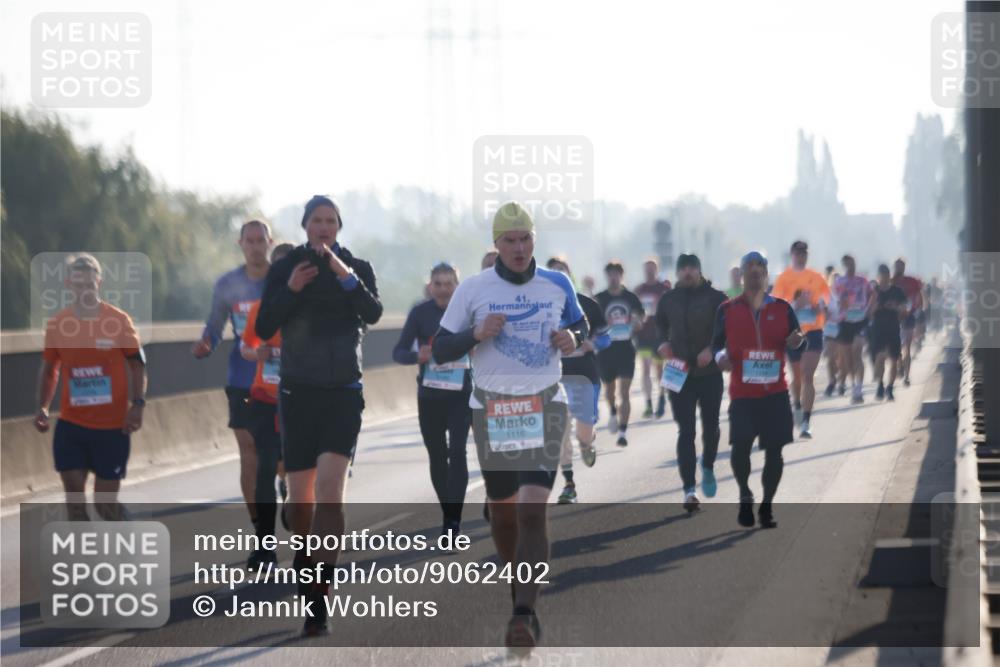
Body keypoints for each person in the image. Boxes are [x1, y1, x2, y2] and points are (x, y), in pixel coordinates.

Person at [432, 202, 587, 652]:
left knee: (532, 510)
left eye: (525, 239)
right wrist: (476, 335)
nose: (518, 249)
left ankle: (524, 611)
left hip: (545, 404)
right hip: (493, 409)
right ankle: (518, 586)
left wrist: (572, 338)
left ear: (534, 240)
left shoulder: (557, 283)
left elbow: (580, 323)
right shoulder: (474, 289)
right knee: (502, 512)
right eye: (509, 241)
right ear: (496, 244)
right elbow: (442, 348)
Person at [255, 195, 382, 637]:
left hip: (343, 394)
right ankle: (305, 550)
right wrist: (290, 288)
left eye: (331, 221)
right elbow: (261, 326)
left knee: (331, 492)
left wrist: (345, 278)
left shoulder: (356, 267)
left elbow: (374, 312)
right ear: (306, 226)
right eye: (316, 221)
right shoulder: (286, 269)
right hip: (297, 395)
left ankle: (318, 602)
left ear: (338, 226)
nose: (324, 227)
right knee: (303, 501)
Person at [35, 254, 146, 521]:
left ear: (99, 282)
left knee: (105, 506)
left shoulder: (118, 321)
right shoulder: (58, 324)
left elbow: (137, 366)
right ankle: (83, 558)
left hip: (112, 428)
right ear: (68, 284)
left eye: (89, 284)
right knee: (74, 500)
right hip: (72, 425)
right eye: (78, 284)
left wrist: (138, 405)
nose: (84, 290)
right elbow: (51, 369)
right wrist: (43, 407)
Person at [192, 219, 272, 533]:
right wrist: (205, 345)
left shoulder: (281, 281)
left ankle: (288, 490)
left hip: (283, 381)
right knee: (249, 453)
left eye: (260, 240)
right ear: (241, 245)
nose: (255, 246)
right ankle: (261, 532)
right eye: (249, 241)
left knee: (280, 460)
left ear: (269, 242)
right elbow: (214, 326)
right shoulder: (227, 284)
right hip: (243, 379)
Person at [713, 251, 803, 529]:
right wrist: (720, 359)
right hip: (742, 394)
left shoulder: (782, 308)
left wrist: (797, 340)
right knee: (740, 448)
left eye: (759, 267)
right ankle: (745, 493)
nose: (754, 272)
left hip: (775, 393)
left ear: (766, 274)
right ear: (741, 275)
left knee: (774, 452)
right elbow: (716, 345)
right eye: (749, 267)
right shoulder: (727, 310)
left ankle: (766, 506)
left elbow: (798, 340)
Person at [393, 262, 472, 536]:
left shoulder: (466, 311)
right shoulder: (420, 313)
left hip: (461, 395)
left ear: (457, 286)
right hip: (429, 397)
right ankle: (448, 511)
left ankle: (453, 521)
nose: (443, 289)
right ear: (430, 286)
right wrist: (418, 356)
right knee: (437, 457)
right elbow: (398, 352)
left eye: (448, 284)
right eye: (438, 284)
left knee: (458, 452)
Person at [655, 253, 727, 512]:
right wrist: (662, 342)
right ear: (677, 273)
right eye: (683, 269)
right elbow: (658, 326)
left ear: (699, 270)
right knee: (686, 431)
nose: (687, 273)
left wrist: (712, 349)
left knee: (711, 428)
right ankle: (689, 489)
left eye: (692, 268)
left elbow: (728, 331)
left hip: (709, 374)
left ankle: (707, 465)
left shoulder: (717, 298)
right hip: (679, 372)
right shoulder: (668, 299)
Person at [239, 243, 294, 569]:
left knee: (292, 466)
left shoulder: (311, 308)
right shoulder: (262, 308)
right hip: (264, 398)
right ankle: (265, 546)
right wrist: (256, 353)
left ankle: (294, 499)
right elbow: (247, 347)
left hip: (300, 400)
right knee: (262, 470)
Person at [546, 256, 610, 504]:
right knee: (560, 432)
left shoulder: (588, 305)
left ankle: (587, 443)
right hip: (556, 378)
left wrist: (592, 343)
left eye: (562, 272)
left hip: (585, 376)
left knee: (583, 433)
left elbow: (606, 337)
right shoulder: (540, 306)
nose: (558, 277)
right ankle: (569, 484)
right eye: (553, 273)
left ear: (569, 276)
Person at [771, 240, 831, 438]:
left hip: (813, 331)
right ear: (792, 255)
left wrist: (819, 308)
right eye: (797, 253)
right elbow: (776, 306)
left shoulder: (816, 277)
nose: (801, 256)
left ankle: (806, 420)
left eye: (804, 253)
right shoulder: (783, 278)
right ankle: (797, 405)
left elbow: (829, 303)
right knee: (797, 377)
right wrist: (796, 304)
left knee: (807, 375)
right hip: (792, 333)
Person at [595, 261, 644, 447]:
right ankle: (613, 413)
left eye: (616, 274)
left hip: (625, 348)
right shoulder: (599, 298)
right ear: (607, 276)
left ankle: (623, 431)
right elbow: (592, 321)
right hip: (606, 349)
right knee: (609, 391)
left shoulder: (631, 297)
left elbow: (640, 316)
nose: (613, 277)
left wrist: (637, 322)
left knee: (625, 391)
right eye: (610, 274)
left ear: (621, 275)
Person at [832, 255, 872, 404]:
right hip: (845, 321)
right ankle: (853, 384)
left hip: (860, 321)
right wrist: (840, 304)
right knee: (847, 359)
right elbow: (834, 300)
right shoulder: (839, 282)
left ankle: (859, 388)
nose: (851, 267)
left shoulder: (863, 281)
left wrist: (869, 311)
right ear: (844, 266)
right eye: (848, 264)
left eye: (853, 264)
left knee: (857, 353)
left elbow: (872, 295)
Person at [634, 258, 670, 419]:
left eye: (652, 268)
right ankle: (648, 403)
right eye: (647, 269)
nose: (649, 271)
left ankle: (662, 399)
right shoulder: (639, 290)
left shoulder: (664, 288)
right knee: (646, 367)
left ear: (657, 269)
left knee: (659, 369)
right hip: (644, 337)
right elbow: (633, 311)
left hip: (659, 336)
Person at [868, 264, 907, 401]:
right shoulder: (874, 292)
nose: (884, 280)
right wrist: (876, 306)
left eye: (886, 276)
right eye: (882, 277)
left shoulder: (897, 291)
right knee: (879, 358)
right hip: (878, 329)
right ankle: (880, 384)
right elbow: (869, 313)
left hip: (893, 328)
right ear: (878, 277)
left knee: (894, 359)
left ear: (889, 276)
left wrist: (895, 307)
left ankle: (890, 387)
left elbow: (904, 310)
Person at [891, 258, 924, 387]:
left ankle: (907, 376)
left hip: (909, 316)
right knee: (896, 347)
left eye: (902, 266)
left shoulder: (912, 281)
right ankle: (899, 364)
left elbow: (919, 295)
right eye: (897, 266)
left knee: (908, 347)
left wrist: (920, 310)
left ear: (904, 267)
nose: (899, 268)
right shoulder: (891, 281)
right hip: (894, 318)